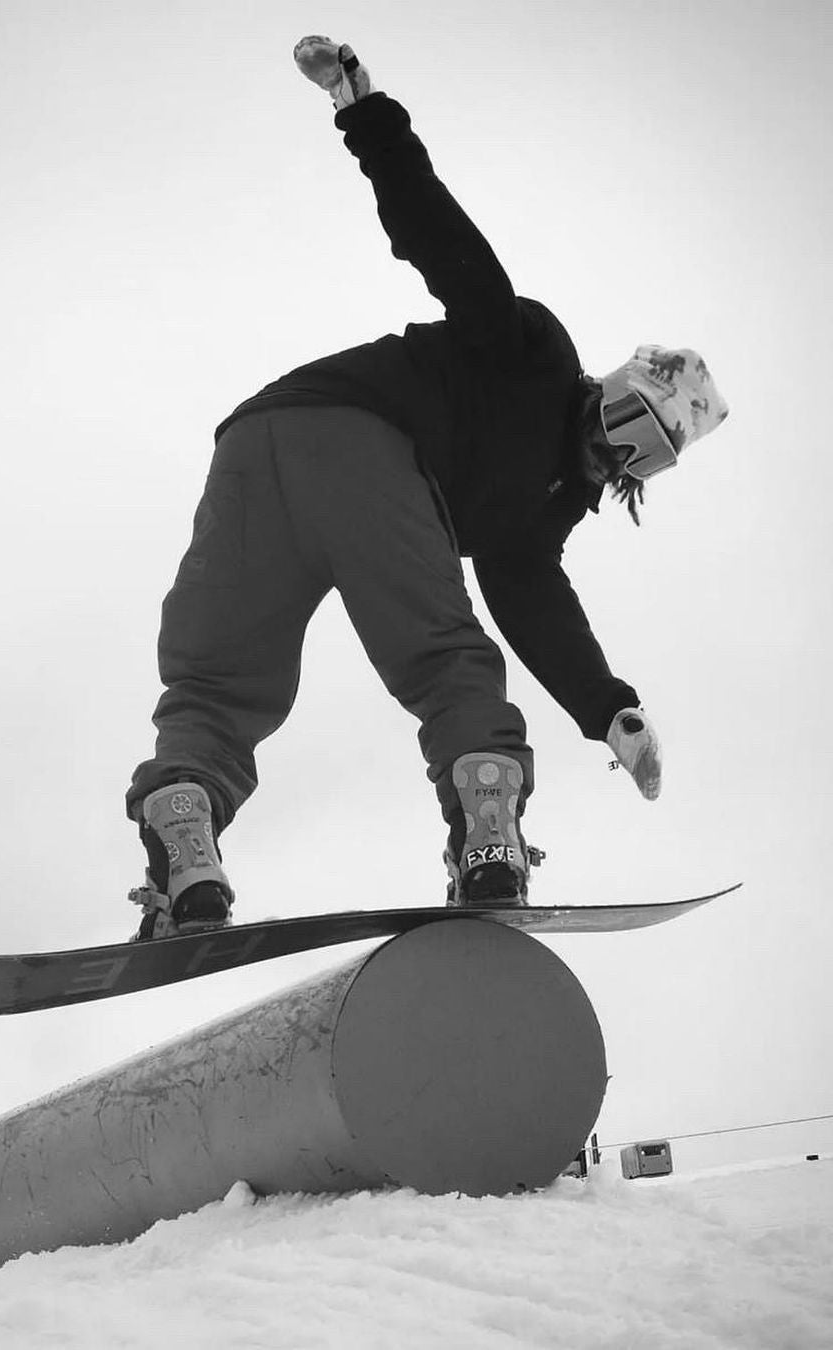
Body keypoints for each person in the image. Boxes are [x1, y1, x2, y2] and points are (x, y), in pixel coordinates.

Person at [124, 37, 729, 941]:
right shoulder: (529, 354)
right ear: (607, 387)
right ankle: (489, 833)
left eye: (646, 455)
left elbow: (537, 605)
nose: (619, 454)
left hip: (254, 446)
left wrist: (607, 706)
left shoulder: (540, 512)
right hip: (362, 444)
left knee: (216, 677)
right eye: (628, 422)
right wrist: (365, 113)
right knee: (448, 661)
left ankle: (185, 833)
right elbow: (443, 239)